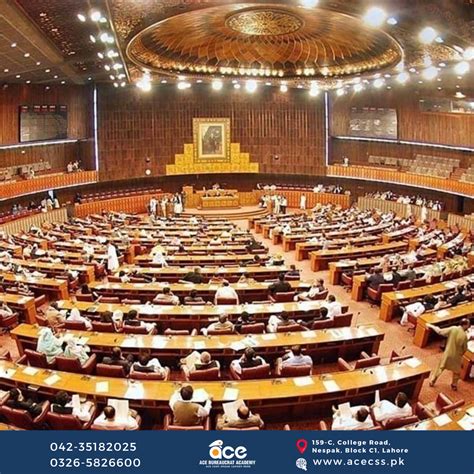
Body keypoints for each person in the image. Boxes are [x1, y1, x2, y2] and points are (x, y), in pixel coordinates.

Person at [428, 319, 470, 391]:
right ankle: (454, 385)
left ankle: (432, 381)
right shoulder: (464, 336)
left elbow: (440, 331)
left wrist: (431, 326)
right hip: (456, 357)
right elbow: (465, 348)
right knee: (457, 372)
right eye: (468, 325)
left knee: (440, 368)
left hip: (447, 354)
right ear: (465, 325)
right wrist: (461, 354)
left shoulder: (453, 329)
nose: (468, 326)